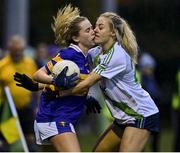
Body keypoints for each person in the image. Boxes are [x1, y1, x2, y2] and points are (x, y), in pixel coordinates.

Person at [59, 12, 160, 152]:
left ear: (113, 33)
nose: (95, 30)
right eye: (95, 26)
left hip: (140, 115)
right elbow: (78, 65)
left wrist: (59, 93)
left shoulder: (116, 56)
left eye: (100, 27)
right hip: (123, 119)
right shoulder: (96, 53)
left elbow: (87, 82)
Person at [14, 4, 101, 152]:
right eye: (88, 30)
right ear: (75, 37)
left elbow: (68, 83)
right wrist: (53, 81)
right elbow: (38, 74)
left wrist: (85, 97)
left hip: (56, 119)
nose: (93, 32)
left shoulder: (84, 58)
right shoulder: (69, 55)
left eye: (92, 28)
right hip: (55, 119)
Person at [0, 35, 38, 151]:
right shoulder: (2, 65)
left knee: (30, 139)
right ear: (9, 50)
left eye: (20, 51)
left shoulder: (30, 63)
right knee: (7, 139)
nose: (17, 53)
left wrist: (38, 105)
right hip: (7, 110)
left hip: (26, 108)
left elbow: (36, 84)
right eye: (15, 51)